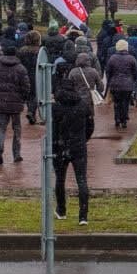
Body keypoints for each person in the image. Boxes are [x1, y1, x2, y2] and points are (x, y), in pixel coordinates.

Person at [52, 75, 93, 224]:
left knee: (60, 179)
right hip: (79, 146)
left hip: (59, 147)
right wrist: (83, 138)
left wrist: (56, 142)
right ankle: (83, 215)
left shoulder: (55, 107)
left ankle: (61, 210)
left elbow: (52, 129)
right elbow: (90, 126)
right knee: (81, 180)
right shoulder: (82, 105)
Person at [0, 44, 29, 166]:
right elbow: (26, 86)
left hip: (1, 101)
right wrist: (23, 97)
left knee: (1, 127)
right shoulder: (20, 68)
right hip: (16, 103)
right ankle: (16, 153)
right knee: (17, 128)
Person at [105, 40, 137, 130]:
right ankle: (124, 120)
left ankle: (117, 119)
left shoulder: (112, 58)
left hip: (115, 84)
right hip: (127, 84)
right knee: (125, 102)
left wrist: (110, 80)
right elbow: (136, 71)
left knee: (116, 102)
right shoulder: (131, 58)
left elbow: (108, 71)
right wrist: (133, 80)